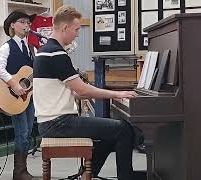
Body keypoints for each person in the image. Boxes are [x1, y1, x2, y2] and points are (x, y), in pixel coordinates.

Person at [33, 5, 138, 180]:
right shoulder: (56, 54)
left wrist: (82, 93)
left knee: (112, 131)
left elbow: (67, 91)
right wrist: (118, 94)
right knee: (123, 129)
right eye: (76, 29)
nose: (78, 34)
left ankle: (87, 175)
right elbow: (81, 89)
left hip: (50, 122)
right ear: (65, 28)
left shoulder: (45, 51)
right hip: (59, 123)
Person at [0, 10, 35, 180]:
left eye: (28, 23)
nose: (27, 26)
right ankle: (19, 172)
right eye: (22, 22)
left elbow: (36, 70)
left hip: (28, 97)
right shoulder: (6, 47)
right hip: (14, 97)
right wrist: (14, 84)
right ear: (12, 25)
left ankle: (22, 169)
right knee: (22, 133)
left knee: (29, 132)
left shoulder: (33, 48)